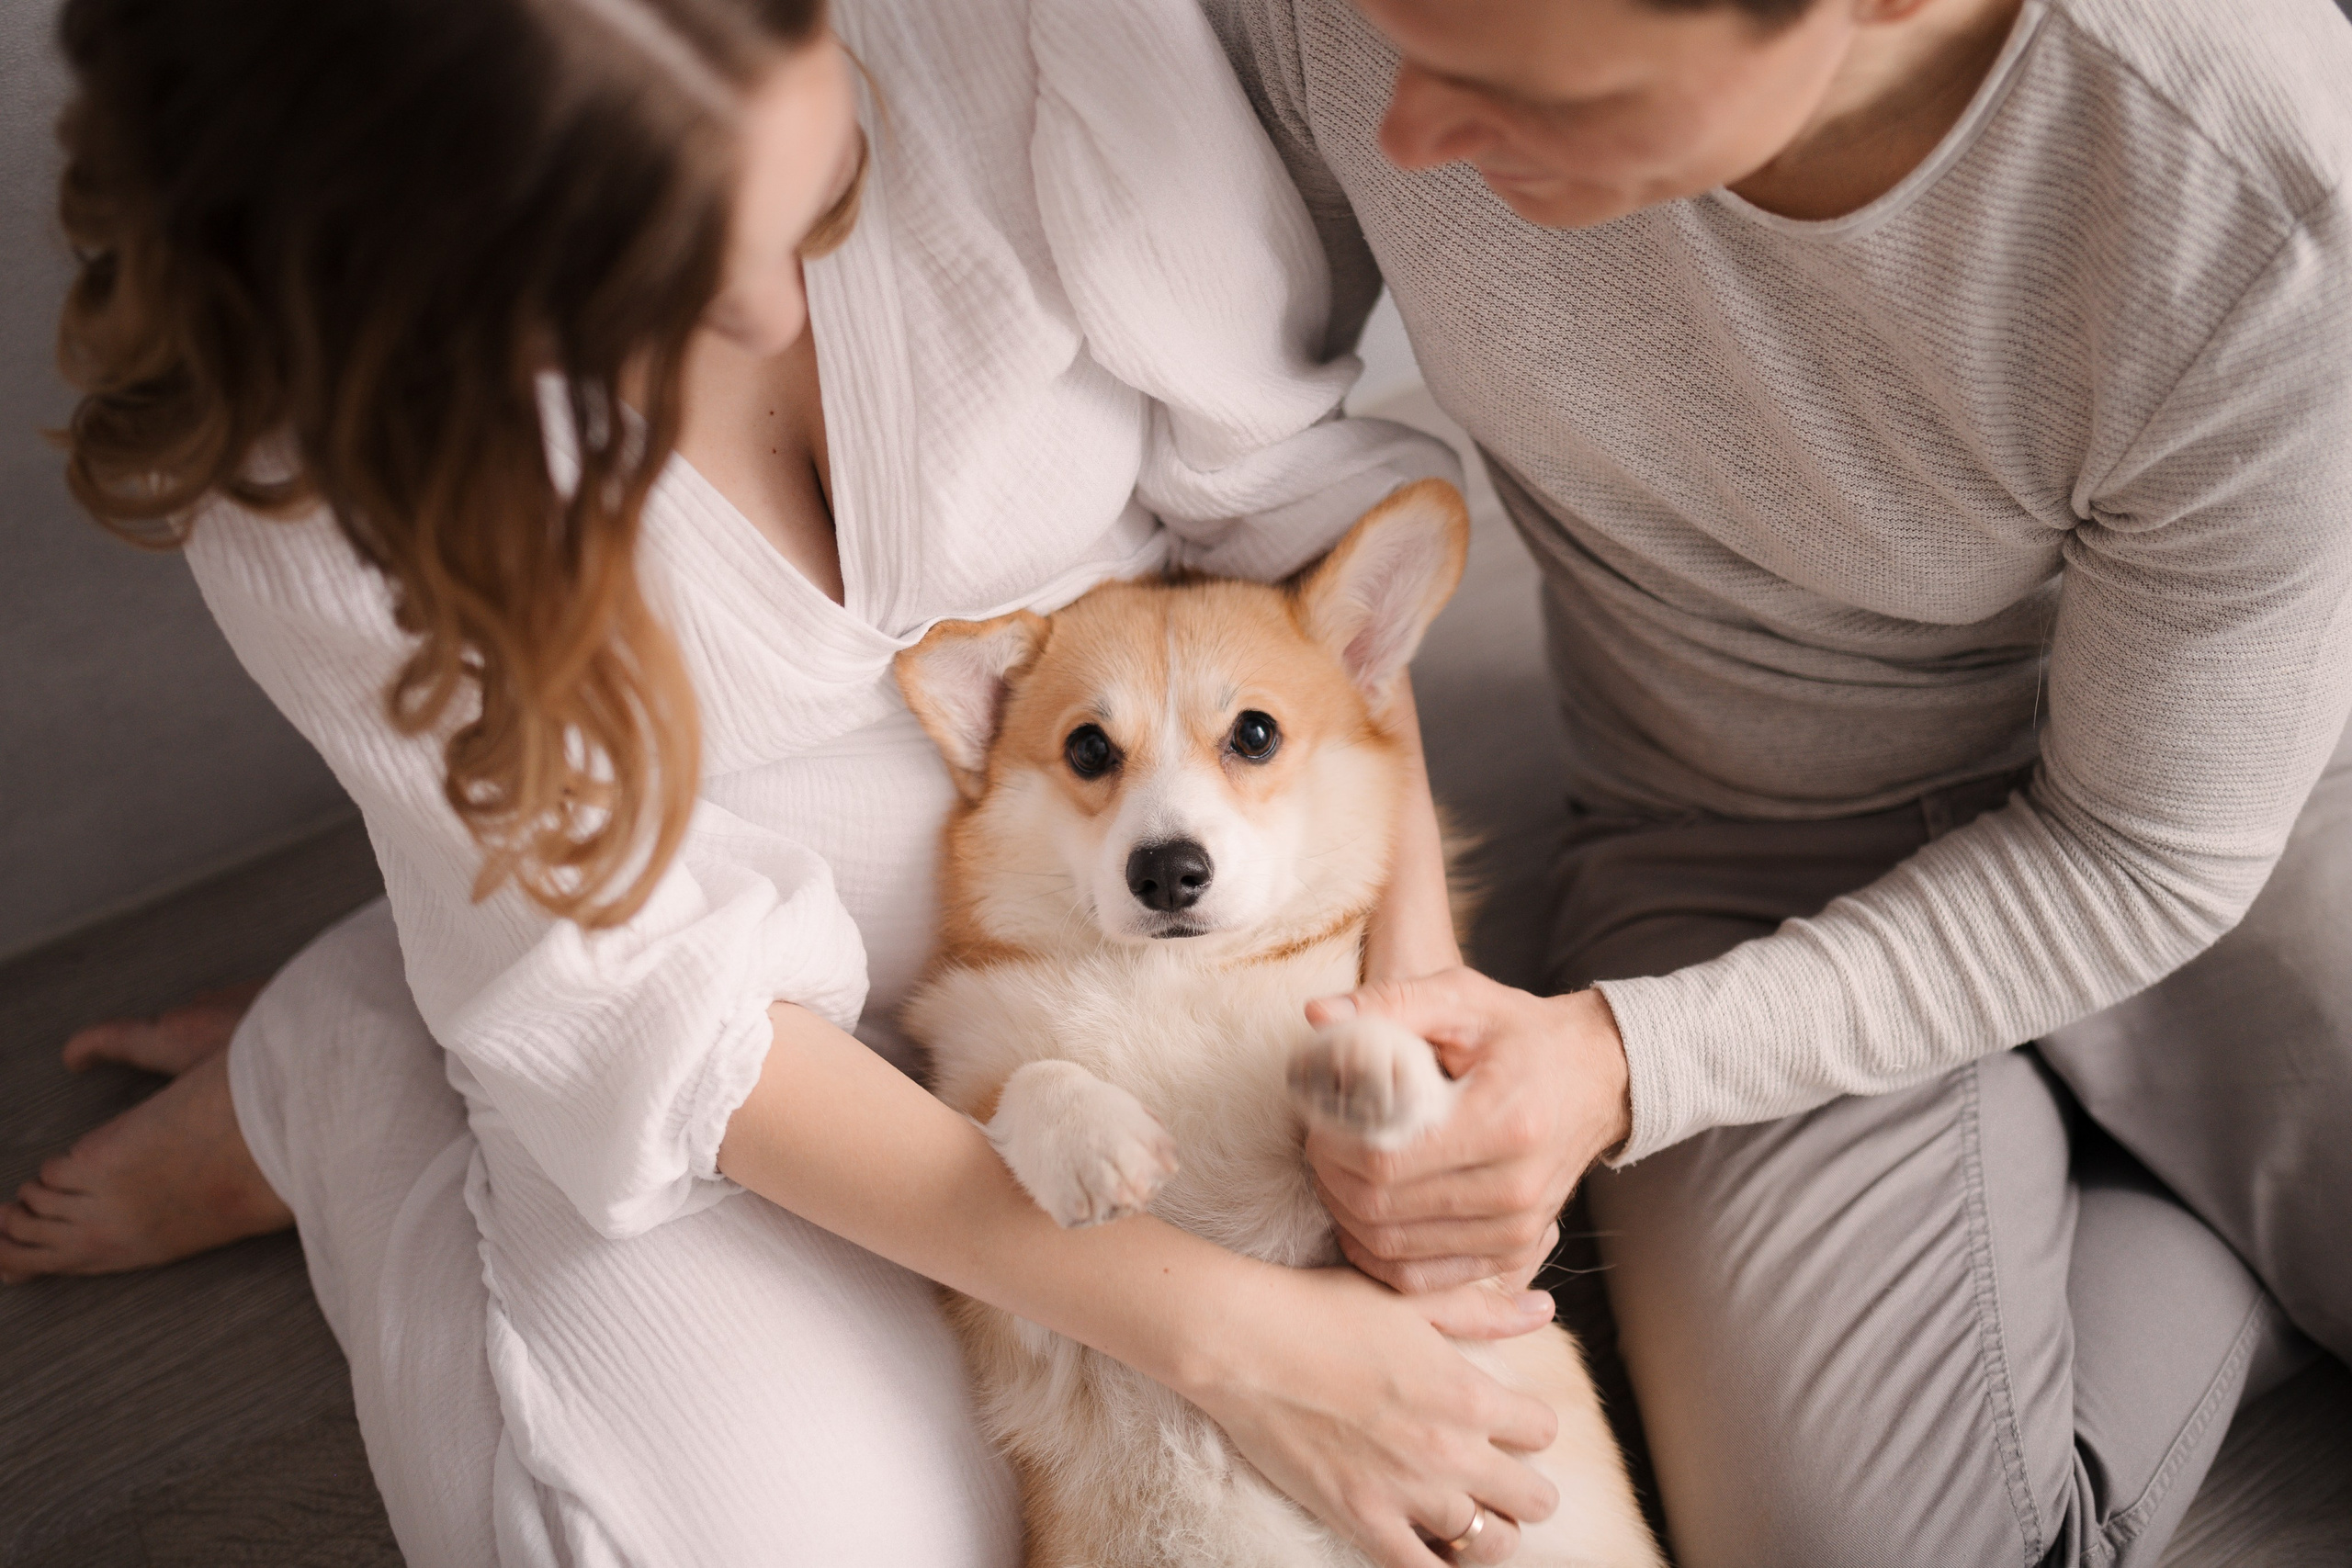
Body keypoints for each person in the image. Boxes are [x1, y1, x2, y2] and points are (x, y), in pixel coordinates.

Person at [0, 1, 1571, 1563]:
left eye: (820, 197)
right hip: (722, 1059)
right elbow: (648, 996)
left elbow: (1301, 552)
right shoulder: (303, 443)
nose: (757, 317)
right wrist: (1239, 1345)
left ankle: (440, 946)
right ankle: (354, 1064)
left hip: (1163, 940)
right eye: (619, 300)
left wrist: (1416, 995)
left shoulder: (1032, 29)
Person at [1200, 0, 2352, 1561]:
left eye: (1517, 79)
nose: (1403, 136)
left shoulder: (2250, 190)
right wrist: (1447, 991)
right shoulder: (1332, 23)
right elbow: (1270, 494)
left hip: (2238, 801)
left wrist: (1620, 1066)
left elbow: (2147, 851)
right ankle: (2197, 1224)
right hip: (1735, 821)